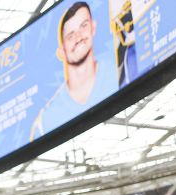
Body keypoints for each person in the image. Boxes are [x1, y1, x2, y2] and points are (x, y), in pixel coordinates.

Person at [29, 1, 118, 140]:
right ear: (61, 51)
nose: (78, 37)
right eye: (70, 35)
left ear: (93, 27)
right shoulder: (45, 121)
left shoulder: (120, 73)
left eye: (83, 26)